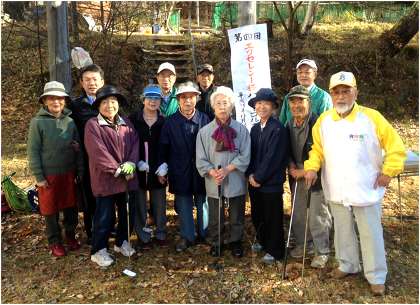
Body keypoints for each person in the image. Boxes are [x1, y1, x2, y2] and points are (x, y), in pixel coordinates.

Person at [304, 71, 407, 296]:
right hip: (336, 186)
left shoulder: (372, 117)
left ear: (355, 93)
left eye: (346, 91)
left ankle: (376, 276)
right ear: (330, 95)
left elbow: (396, 148)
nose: (341, 97)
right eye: (336, 92)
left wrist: (388, 172)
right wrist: (311, 167)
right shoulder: (324, 120)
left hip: (366, 186)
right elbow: (317, 150)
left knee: (370, 232)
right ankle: (348, 264)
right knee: (342, 229)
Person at [84, 86, 139, 267]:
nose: (110, 106)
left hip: (127, 179)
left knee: (126, 213)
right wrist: (117, 169)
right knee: (104, 216)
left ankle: (121, 242)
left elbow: (135, 144)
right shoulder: (93, 125)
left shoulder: (126, 123)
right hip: (105, 179)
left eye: (113, 102)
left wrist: (131, 164)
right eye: (105, 102)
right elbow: (97, 152)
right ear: (99, 105)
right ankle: (98, 250)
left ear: (118, 105)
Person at [28, 81, 84, 256]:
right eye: (51, 99)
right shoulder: (37, 122)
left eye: (59, 99)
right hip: (48, 175)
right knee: (50, 210)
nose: (56, 102)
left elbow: (78, 148)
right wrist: (38, 176)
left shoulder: (70, 121)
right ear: (45, 101)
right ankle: (55, 240)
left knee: (70, 208)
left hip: (69, 173)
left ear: (65, 101)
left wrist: (80, 171)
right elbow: (33, 151)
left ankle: (70, 235)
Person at [196, 86, 251, 258]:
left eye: (225, 103)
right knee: (215, 214)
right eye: (218, 103)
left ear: (231, 106)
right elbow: (200, 158)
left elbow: (245, 154)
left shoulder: (241, 130)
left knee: (236, 213)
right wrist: (212, 172)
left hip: (234, 176)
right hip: (215, 179)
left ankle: (236, 242)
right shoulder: (204, 132)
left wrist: (228, 169)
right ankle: (217, 242)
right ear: (213, 106)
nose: (222, 107)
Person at [67, 64, 117, 245]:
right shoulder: (76, 105)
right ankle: (92, 230)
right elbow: (69, 128)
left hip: (112, 158)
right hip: (89, 160)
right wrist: (73, 145)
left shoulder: (111, 102)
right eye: (87, 80)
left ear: (102, 81)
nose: (92, 83)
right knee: (91, 195)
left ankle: (111, 226)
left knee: (111, 192)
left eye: (95, 79)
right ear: (81, 83)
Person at [158, 82, 210, 252]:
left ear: (196, 99)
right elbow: (163, 147)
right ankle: (187, 235)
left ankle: (205, 233)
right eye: (184, 97)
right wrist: (162, 168)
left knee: (203, 200)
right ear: (178, 100)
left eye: (192, 97)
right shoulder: (170, 122)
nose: (188, 101)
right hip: (179, 167)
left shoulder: (204, 119)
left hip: (201, 167)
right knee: (183, 201)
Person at [285, 85, 332, 268]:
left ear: (309, 103)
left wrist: (305, 170)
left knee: (318, 214)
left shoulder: (319, 123)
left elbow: (325, 152)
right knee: (297, 212)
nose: (297, 105)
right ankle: (304, 245)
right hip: (295, 173)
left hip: (316, 173)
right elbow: (287, 148)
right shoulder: (290, 123)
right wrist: (290, 165)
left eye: (301, 101)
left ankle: (322, 251)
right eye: (293, 101)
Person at [246, 88, 289, 263]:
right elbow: (250, 154)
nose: (262, 107)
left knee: (273, 217)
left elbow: (273, 158)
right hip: (254, 181)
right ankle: (263, 241)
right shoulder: (255, 128)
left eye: (266, 103)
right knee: (258, 215)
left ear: (273, 107)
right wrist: (250, 174)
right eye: (259, 103)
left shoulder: (278, 129)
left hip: (271, 183)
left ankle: (276, 249)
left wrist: (258, 177)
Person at [128, 85, 168, 250]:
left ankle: (161, 233)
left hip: (159, 167)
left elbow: (169, 145)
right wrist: (136, 161)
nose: (153, 101)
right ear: (143, 100)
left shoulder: (164, 121)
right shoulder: (132, 120)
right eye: (149, 98)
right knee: (140, 203)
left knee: (159, 203)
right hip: (139, 167)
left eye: (157, 98)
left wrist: (166, 164)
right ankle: (144, 236)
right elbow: (127, 143)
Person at [278, 59, 332, 126]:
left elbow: (326, 125)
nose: (303, 75)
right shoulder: (289, 96)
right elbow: (282, 122)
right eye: (300, 72)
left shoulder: (323, 97)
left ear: (315, 75)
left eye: (307, 72)